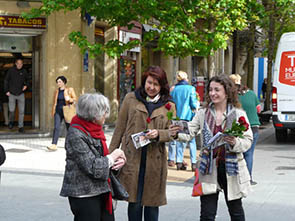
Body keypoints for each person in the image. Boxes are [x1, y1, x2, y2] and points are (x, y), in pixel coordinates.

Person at [170, 74, 253, 221]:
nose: (212, 93)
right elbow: (189, 131)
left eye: (217, 90)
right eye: (210, 90)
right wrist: (177, 132)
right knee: (207, 214)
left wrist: (234, 142)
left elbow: (247, 141)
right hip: (208, 167)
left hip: (231, 168)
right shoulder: (203, 113)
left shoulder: (238, 114)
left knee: (236, 211)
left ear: (226, 92)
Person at [109, 66, 175, 221]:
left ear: (162, 86)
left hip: (154, 162)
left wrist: (159, 134)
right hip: (133, 159)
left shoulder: (169, 105)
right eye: (149, 82)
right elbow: (119, 128)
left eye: (156, 84)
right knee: (134, 204)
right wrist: (110, 155)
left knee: (152, 206)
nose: (151, 87)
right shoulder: (131, 99)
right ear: (144, 81)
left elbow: (173, 132)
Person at [60, 93, 126, 221]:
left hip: (102, 190)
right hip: (84, 194)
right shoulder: (76, 133)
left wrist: (117, 163)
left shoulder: (95, 129)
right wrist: (113, 156)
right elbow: (92, 167)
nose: (105, 116)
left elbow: (103, 161)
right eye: (103, 113)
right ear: (93, 115)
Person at [229, 74, 261, 185]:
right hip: (254, 126)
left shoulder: (231, 95)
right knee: (249, 153)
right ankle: (249, 178)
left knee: (237, 152)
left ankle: (236, 177)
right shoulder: (251, 93)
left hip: (239, 127)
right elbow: (258, 109)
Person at [169, 70, 199, 171]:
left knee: (179, 139)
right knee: (192, 140)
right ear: (186, 78)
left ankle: (179, 162)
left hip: (176, 117)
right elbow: (193, 104)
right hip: (188, 117)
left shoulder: (174, 89)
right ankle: (193, 163)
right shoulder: (191, 88)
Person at [47, 76, 77, 151]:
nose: (58, 83)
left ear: (64, 82)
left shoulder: (69, 90)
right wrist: (53, 110)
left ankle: (69, 144)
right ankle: (54, 144)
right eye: (57, 82)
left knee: (69, 128)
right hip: (58, 111)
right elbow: (54, 102)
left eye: (60, 82)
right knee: (56, 127)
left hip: (67, 110)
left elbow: (75, 99)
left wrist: (69, 99)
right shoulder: (56, 91)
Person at [4, 58, 29, 133]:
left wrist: (26, 85)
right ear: (15, 63)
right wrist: (6, 91)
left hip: (21, 94)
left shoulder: (24, 71)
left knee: (21, 111)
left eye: (21, 64)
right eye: (18, 63)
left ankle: (20, 126)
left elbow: (28, 80)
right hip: (11, 93)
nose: (19, 65)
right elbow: (6, 80)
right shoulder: (11, 71)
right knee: (12, 110)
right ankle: (11, 122)